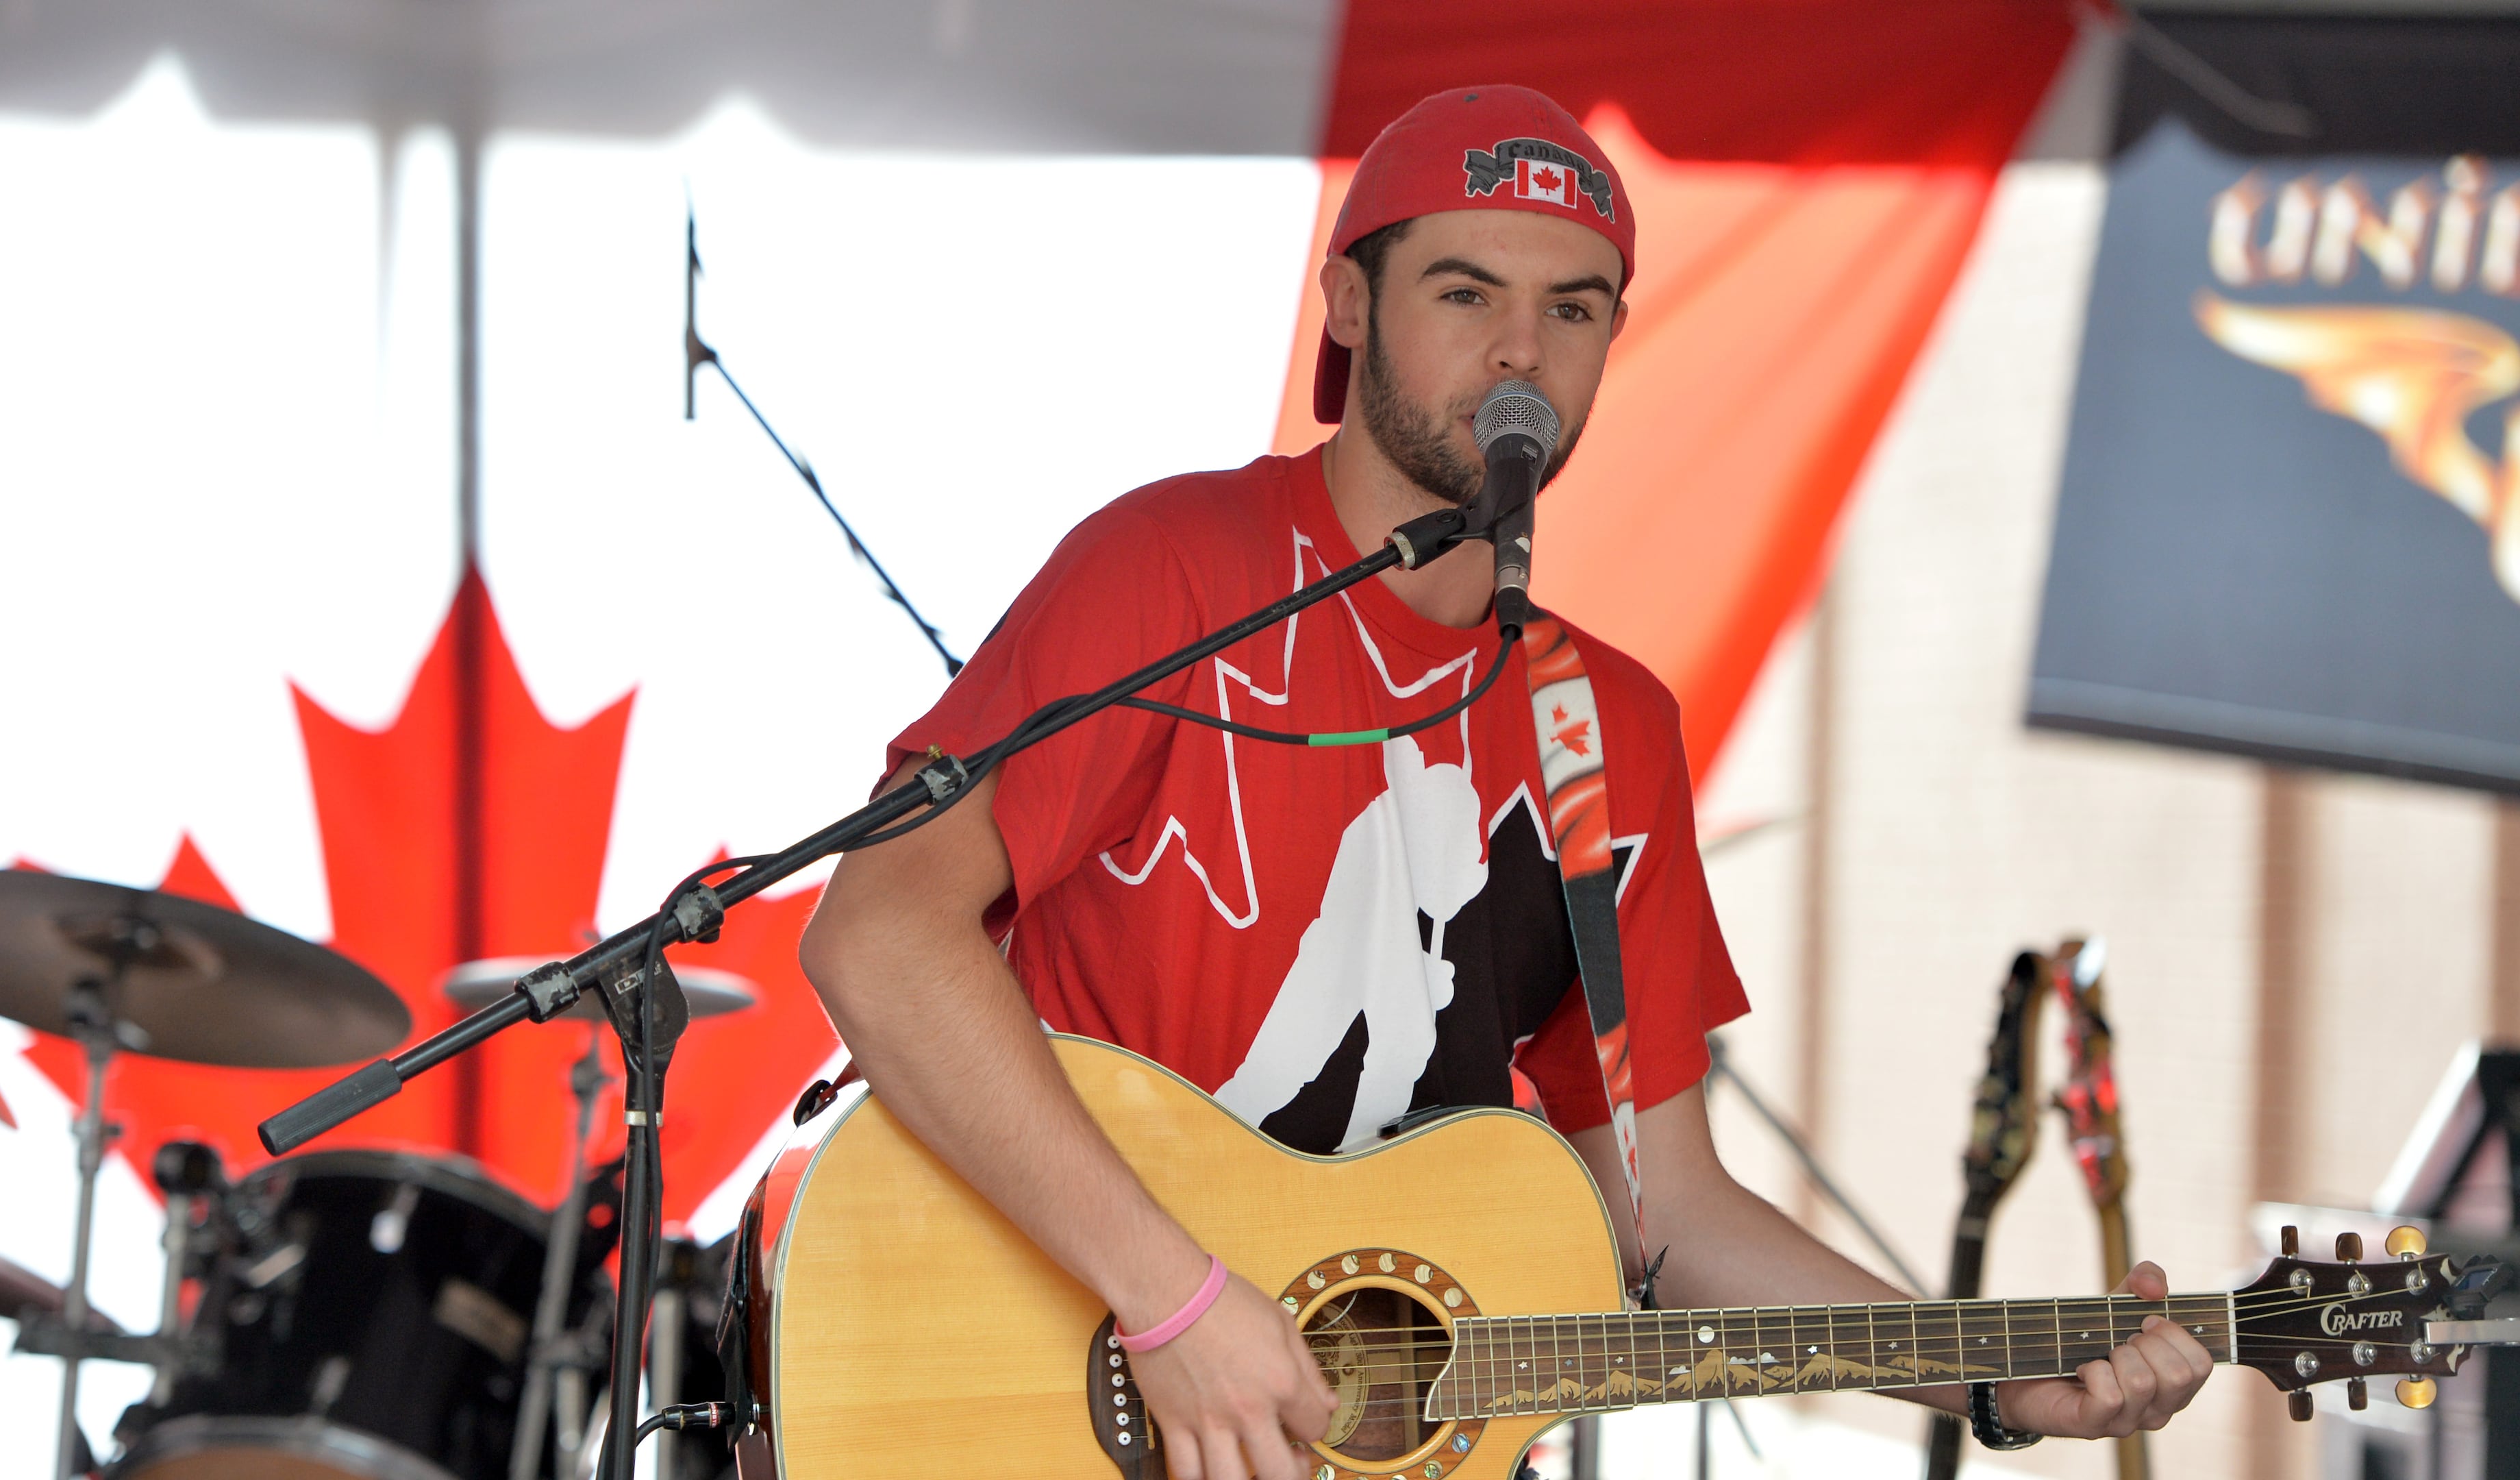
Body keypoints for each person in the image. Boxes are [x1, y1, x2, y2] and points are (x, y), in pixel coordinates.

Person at [797, 84, 2212, 1480]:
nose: (1522, 353)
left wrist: (1991, 1369)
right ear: (1349, 305)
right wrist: (1171, 1301)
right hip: (1061, 1388)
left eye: (1574, 309)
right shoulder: (1173, 570)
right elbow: (880, 934)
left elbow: (1663, 1214)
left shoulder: (1608, 729)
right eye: (1465, 295)